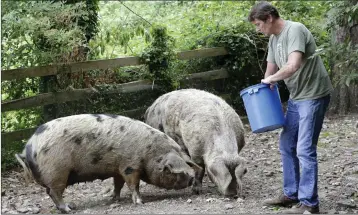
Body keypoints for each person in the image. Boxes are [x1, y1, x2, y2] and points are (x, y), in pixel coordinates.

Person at [248, 1, 333, 214]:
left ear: (269, 17)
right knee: (287, 144)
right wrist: (261, 91)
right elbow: (270, 70)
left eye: (259, 24)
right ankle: (291, 193)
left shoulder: (295, 29)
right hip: (297, 97)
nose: (258, 29)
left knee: (304, 149)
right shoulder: (273, 39)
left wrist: (272, 79)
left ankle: (309, 204)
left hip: (313, 95)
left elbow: (293, 65)